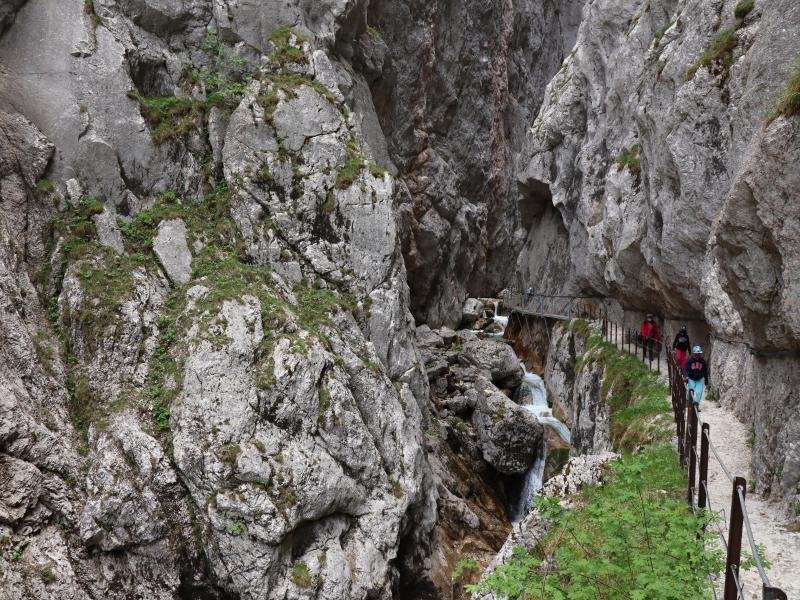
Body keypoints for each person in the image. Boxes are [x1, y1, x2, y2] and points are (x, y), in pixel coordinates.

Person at [683, 346, 709, 411]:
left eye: (699, 354)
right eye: (696, 354)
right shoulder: (689, 361)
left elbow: (705, 371)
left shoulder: (703, 362)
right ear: (693, 354)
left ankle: (696, 405)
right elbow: (685, 369)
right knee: (690, 391)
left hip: (700, 379)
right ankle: (687, 403)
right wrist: (686, 376)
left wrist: (706, 380)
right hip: (691, 378)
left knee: (698, 392)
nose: (697, 355)